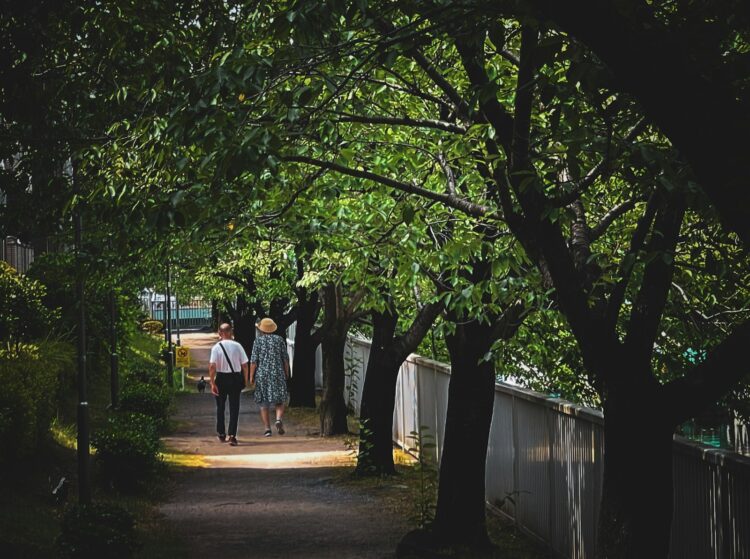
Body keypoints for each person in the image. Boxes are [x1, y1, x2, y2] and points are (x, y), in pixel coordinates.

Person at [208, 323, 249, 446]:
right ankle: (232, 435)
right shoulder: (238, 346)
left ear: (220, 333)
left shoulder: (216, 347)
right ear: (231, 332)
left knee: (220, 406)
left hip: (221, 377)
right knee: (234, 407)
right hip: (235, 377)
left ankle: (221, 433)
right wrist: (245, 379)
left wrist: (212, 382)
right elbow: (245, 365)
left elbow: (212, 366)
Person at [249, 318, 290, 437]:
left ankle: (267, 429)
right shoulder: (279, 340)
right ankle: (278, 419)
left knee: (263, 403)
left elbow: (253, 361)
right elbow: (285, 359)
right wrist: (286, 373)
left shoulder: (257, 342)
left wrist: (251, 376)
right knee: (280, 399)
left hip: (262, 374)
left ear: (261, 330)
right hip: (278, 373)